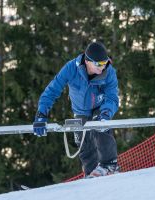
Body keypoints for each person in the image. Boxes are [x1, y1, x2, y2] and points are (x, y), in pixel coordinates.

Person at [33, 41, 120, 178]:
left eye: (105, 63)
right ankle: (91, 172)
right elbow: (52, 90)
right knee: (83, 144)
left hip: (100, 107)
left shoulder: (109, 72)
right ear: (87, 61)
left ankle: (109, 165)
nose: (102, 68)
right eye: (99, 64)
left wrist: (106, 113)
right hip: (80, 111)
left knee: (100, 128)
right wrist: (41, 114)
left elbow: (112, 97)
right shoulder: (71, 69)